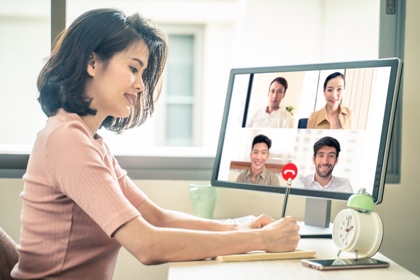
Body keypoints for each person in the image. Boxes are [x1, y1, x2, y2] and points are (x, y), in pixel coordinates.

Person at [11, 8, 300, 279]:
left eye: (143, 74)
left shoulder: (89, 141)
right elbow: (147, 245)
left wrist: (237, 227)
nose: (140, 85)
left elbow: (156, 217)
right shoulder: (66, 140)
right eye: (134, 69)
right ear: (92, 62)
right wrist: (261, 240)